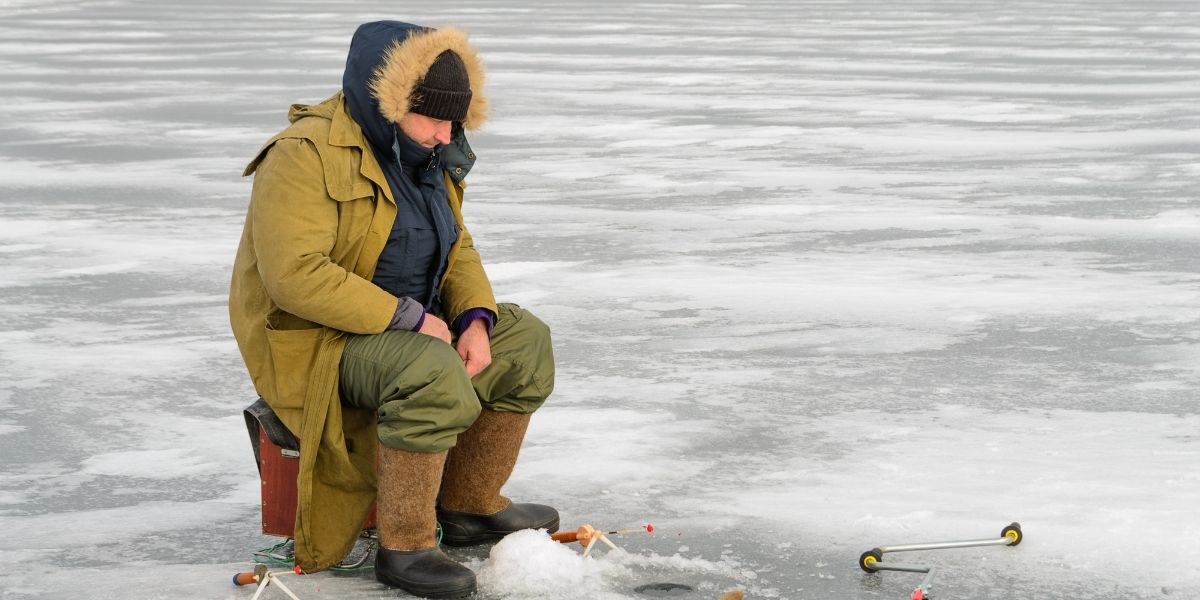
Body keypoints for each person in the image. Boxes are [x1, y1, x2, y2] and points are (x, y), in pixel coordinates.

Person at [228, 20, 558, 599]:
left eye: (453, 119)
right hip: (318, 343)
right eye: (431, 117)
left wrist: (475, 319)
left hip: (403, 328)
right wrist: (411, 320)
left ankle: (469, 506)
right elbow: (295, 275)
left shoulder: (426, 153)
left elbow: (456, 244)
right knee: (427, 371)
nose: (444, 133)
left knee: (523, 340)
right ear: (389, 101)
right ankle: (405, 545)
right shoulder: (302, 155)